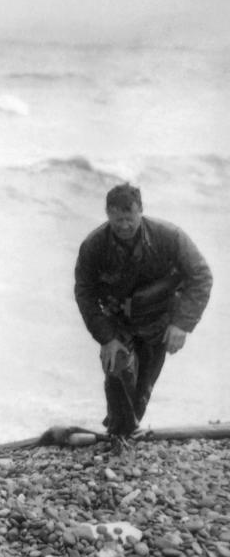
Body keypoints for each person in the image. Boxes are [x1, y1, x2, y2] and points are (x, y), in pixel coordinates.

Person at [74, 183, 212, 452]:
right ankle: (119, 434)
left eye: (130, 218)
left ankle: (125, 428)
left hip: (158, 319)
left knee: (142, 389)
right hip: (117, 321)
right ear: (107, 214)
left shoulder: (169, 237)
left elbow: (201, 276)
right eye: (117, 219)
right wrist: (106, 337)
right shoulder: (93, 245)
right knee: (117, 368)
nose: (124, 225)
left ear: (141, 211)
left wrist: (182, 324)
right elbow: (84, 293)